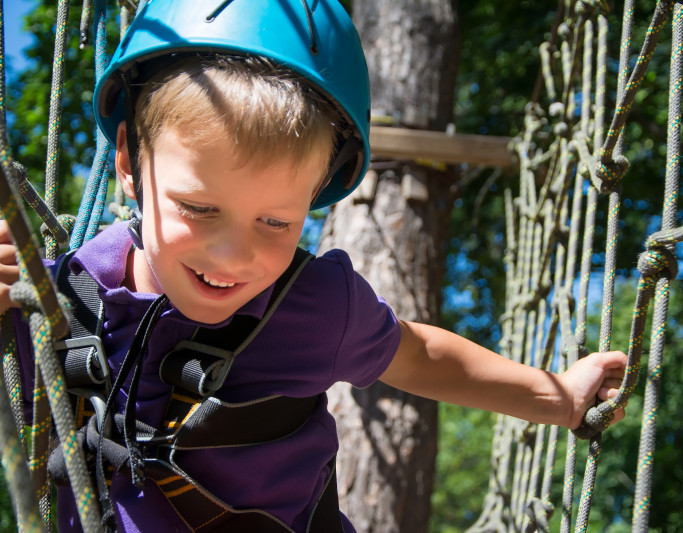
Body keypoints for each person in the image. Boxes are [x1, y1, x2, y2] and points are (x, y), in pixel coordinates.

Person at [0, 1, 628, 532]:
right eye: (198, 207)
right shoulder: (56, 300)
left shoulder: (314, 304)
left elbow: (419, 356)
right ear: (130, 168)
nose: (233, 255)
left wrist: (556, 397)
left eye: (276, 222)